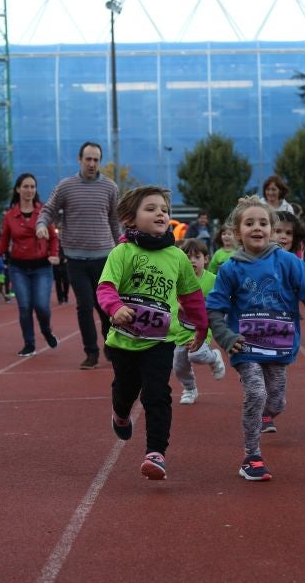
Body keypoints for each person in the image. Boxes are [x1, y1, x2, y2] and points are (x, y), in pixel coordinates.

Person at [207, 196, 305, 481]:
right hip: (245, 345)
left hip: (279, 346)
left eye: (263, 223)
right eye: (249, 223)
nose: (257, 228)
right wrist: (225, 336)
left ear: (272, 230)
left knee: (276, 401)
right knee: (256, 393)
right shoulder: (231, 268)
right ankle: (252, 457)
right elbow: (215, 308)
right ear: (238, 233)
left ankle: (268, 413)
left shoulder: (288, 262)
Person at [96, 186, 208, 480]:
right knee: (126, 390)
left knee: (157, 394)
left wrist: (202, 325)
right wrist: (115, 307)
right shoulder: (123, 252)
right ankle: (119, 413)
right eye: (151, 208)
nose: (160, 213)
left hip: (160, 341)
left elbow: (192, 296)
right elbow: (106, 287)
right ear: (130, 219)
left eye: (164, 209)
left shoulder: (177, 257)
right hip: (123, 341)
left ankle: (156, 453)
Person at [37, 141, 120, 370]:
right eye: (88, 159)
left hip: (104, 257)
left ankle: (111, 346)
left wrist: (122, 247)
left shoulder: (110, 188)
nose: (92, 163)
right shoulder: (66, 186)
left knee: (106, 307)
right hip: (75, 258)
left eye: (96, 159)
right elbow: (48, 209)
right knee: (84, 305)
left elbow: (115, 221)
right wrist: (42, 225)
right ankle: (90, 352)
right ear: (79, 159)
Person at [0, 173, 60, 357]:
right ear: (18, 189)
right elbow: (4, 239)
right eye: (26, 186)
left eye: (33, 187)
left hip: (42, 267)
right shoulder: (10, 215)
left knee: (42, 306)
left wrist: (54, 255)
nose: (29, 190)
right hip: (18, 267)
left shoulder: (43, 212)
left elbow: (53, 237)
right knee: (25, 306)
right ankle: (29, 343)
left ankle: (46, 330)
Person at [173, 238, 227, 405]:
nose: (192, 261)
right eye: (187, 257)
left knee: (196, 354)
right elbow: (169, 298)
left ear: (206, 259)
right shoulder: (177, 279)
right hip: (181, 330)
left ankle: (213, 357)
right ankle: (190, 389)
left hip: (202, 330)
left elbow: (222, 300)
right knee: (179, 366)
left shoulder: (212, 280)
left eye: (196, 257)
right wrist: (179, 305)